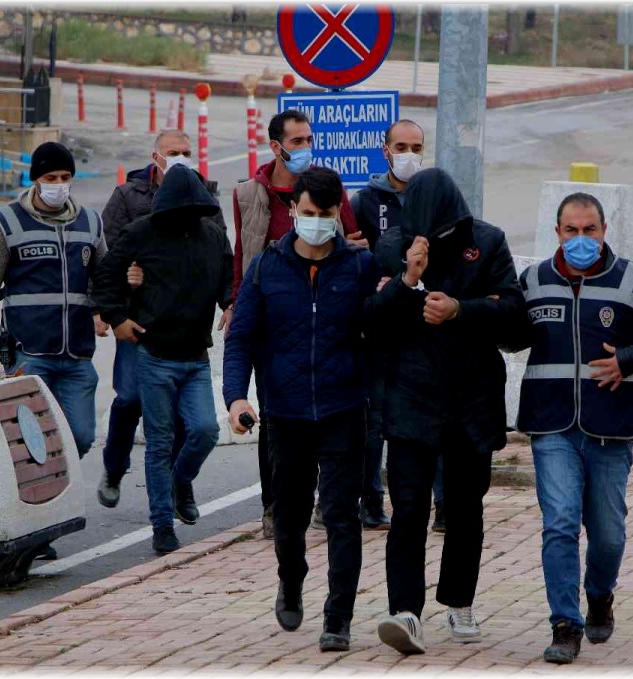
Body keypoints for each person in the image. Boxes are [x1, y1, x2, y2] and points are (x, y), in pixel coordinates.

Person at [509, 193, 633, 664]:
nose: (581, 239)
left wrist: (626, 361)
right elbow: (509, 336)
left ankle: (600, 595)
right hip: (552, 427)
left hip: (612, 427)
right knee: (561, 524)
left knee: (607, 534)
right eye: (572, 231)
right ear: (558, 233)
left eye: (590, 230)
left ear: (604, 231)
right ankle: (565, 625)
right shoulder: (532, 280)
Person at [367, 168, 526, 654]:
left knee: (463, 508)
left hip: (472, 396)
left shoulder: (488, 241)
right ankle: (405, 612)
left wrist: (462, 309)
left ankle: (459, 601)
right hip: (412, 394)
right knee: (409, 508)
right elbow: (374, 325)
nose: (429, 238)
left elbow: (515, 318)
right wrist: (406, 279)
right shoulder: (392, 245)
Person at [224, 166, 380, 652]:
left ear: (339, 214)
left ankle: (339, 617)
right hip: (285, 415)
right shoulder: (267, 268)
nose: (314, 222)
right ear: (293, 211)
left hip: (344, 410)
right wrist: (236, 397)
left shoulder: (358, 268)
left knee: (340, 516)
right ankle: (291, 581)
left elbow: (381, 333)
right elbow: (241, 339)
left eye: (325, 214)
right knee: (288, 519)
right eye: (307, 213)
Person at [0, 141, 105, 561]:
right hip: (28, 355)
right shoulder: (6, 223)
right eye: (50, 178)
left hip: (76, 354)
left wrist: (103, 311)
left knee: (77, 436)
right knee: (32, 444)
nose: (59, 186)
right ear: (35, 180)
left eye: (64, 178)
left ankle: (45, 507)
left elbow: (102, 276)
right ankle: (40, 528)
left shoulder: (90, 223)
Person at [231, 108, 366, 539]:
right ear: (276, 147)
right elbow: (243, 252)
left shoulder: (328, 190)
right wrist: (236, 301)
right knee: (273, 414)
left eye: (309, 140)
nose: (305, 148)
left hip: (322, 307)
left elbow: (352, 239)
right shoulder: (250, 194)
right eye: (297, 141)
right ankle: (278, 506)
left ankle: (329, 503)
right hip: (269, 306)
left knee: (330, 420)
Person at [92, 165, 233, 555]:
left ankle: (180, 480)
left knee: (205, 430)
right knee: (159, 443)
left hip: (196, 357)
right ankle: (162, 526)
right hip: (153, 355)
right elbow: (106, 273)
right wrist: (116, 317)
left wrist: (231, 303)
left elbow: (227, 278)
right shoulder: (142, 232)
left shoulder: (214, 236)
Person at [350, 119, 427, 532]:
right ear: (385, 151)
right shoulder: (366, 200)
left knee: (419, 418)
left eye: (416, 147)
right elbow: (352, 258)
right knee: (374, 421)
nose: (408, 155)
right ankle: (371, 501)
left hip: (421, 327)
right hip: (378, 327)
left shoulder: (432, 198)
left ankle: (429, 501)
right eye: (401, 147)